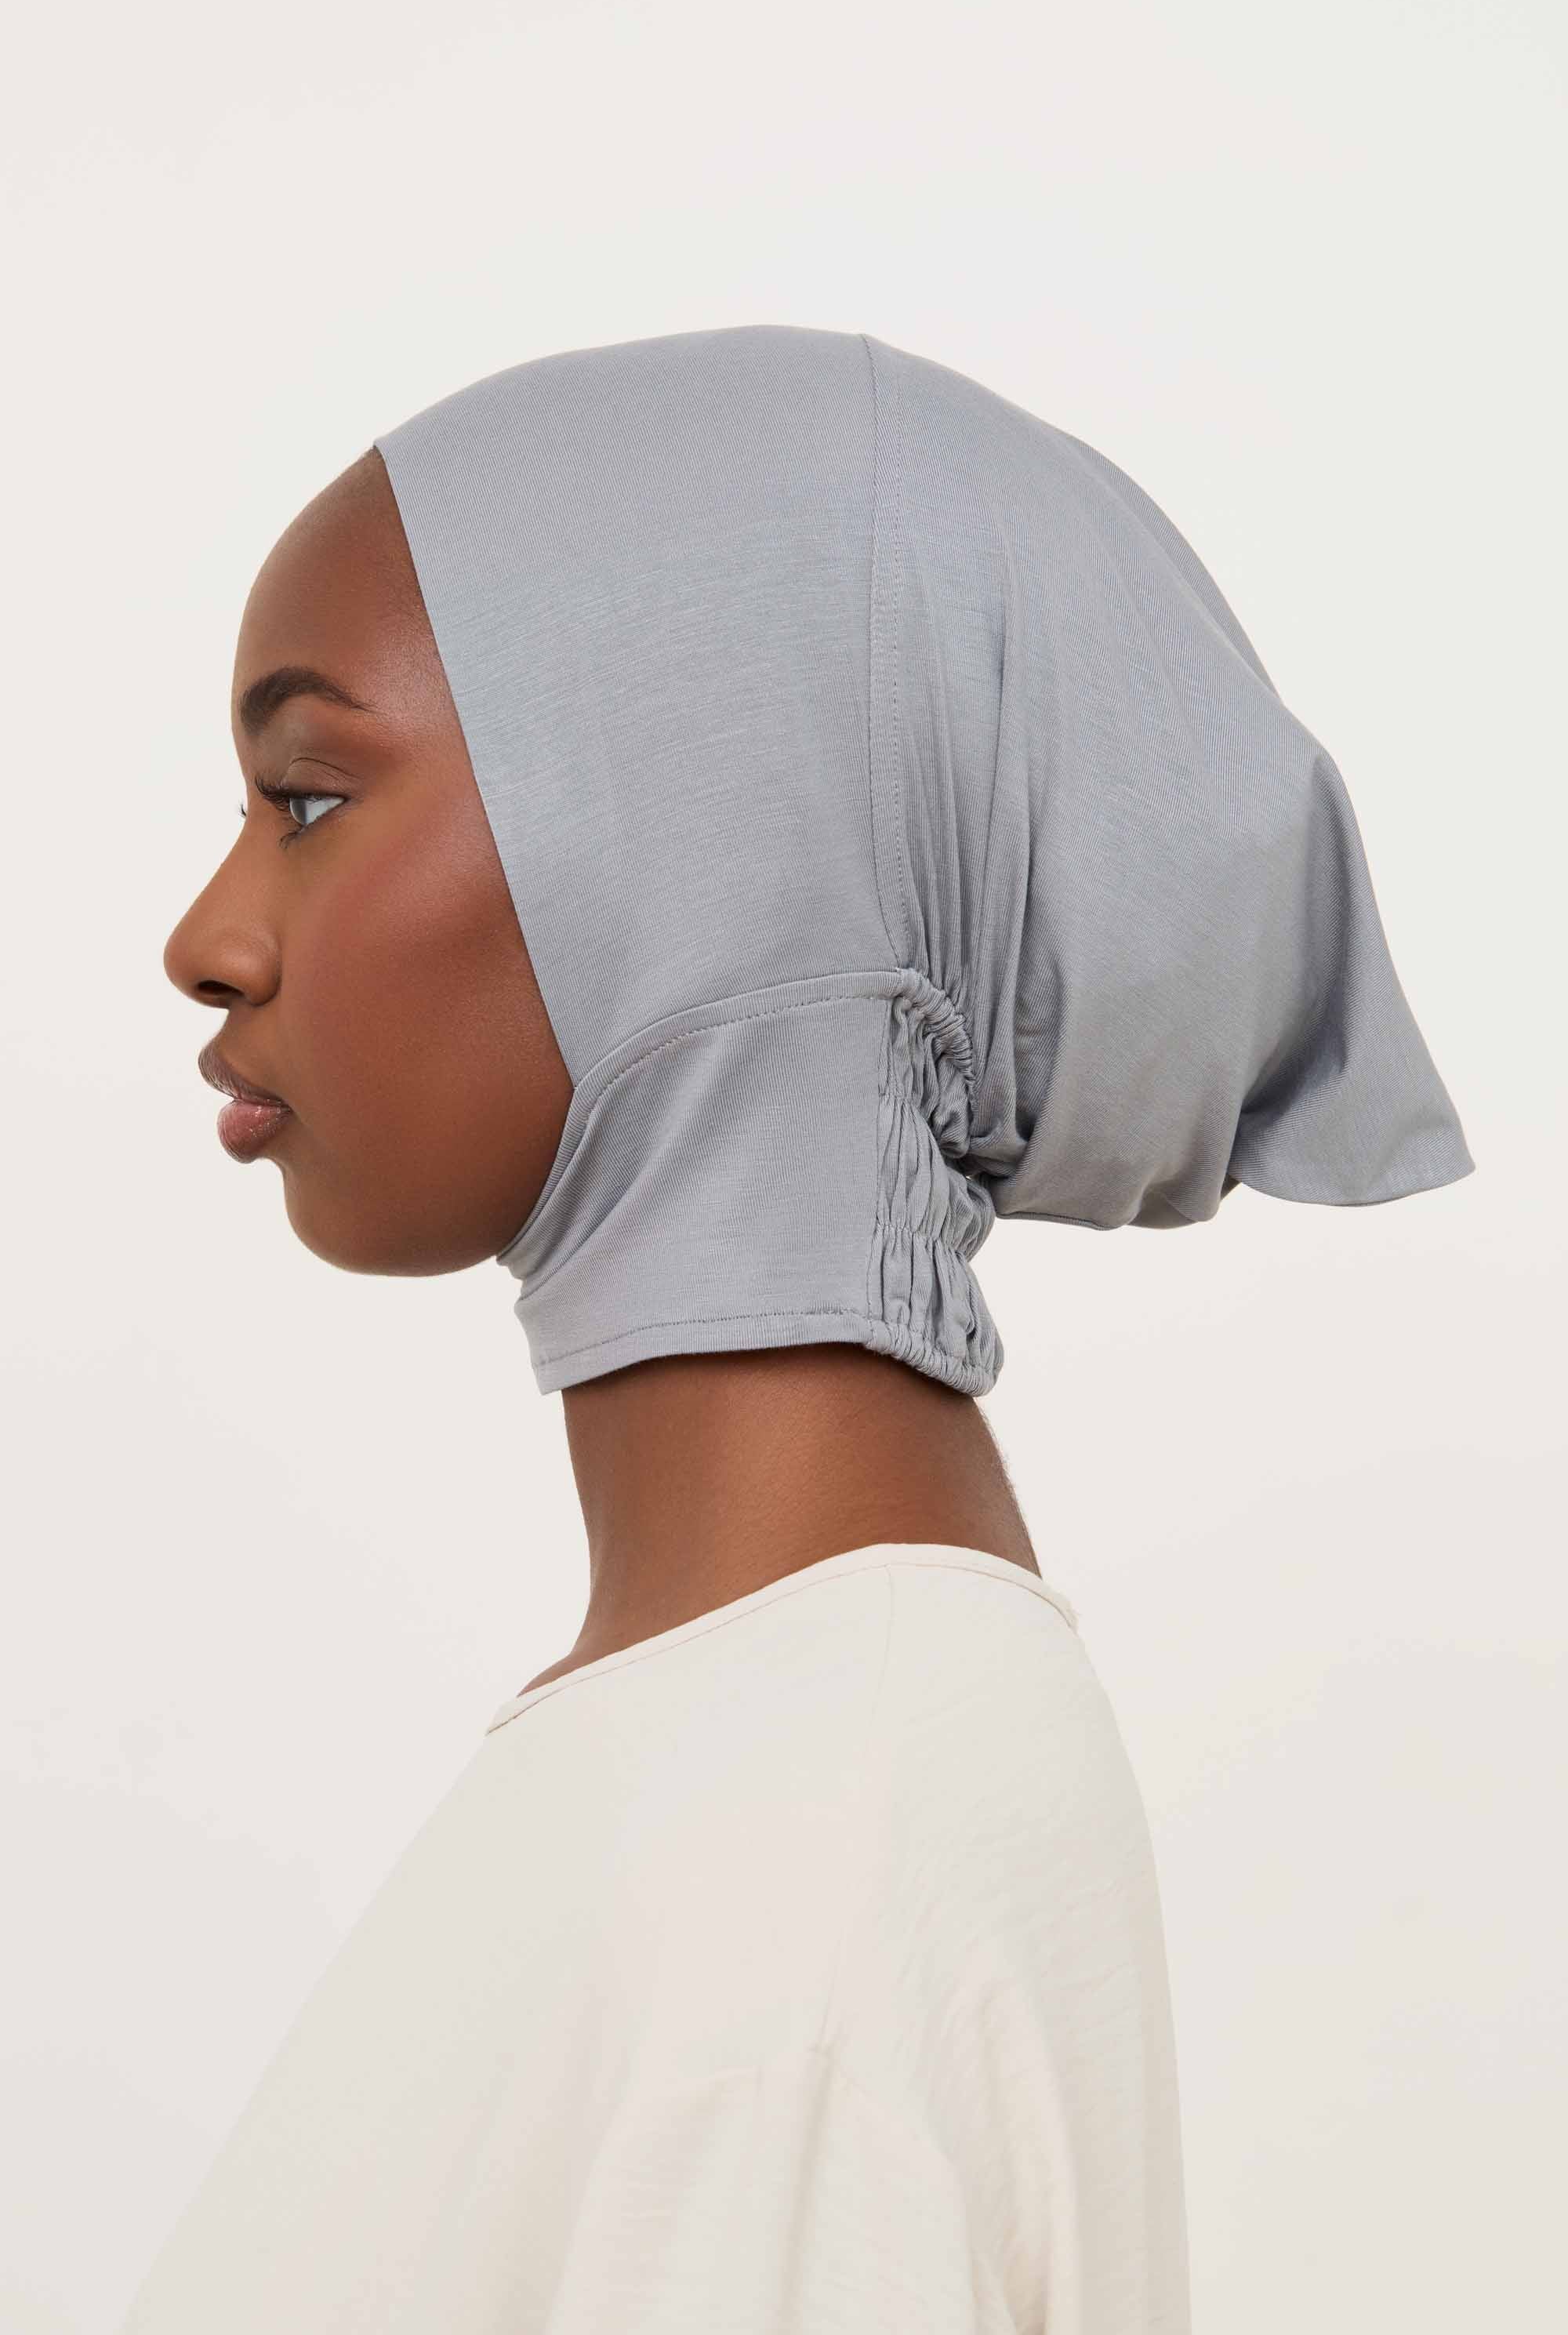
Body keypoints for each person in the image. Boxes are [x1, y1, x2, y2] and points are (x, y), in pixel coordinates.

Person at [135, 325, 1472, 2333]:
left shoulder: (804, 1871)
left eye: (309, 798)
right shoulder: (746, 1762)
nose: (207, 938)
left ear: (703, 855)